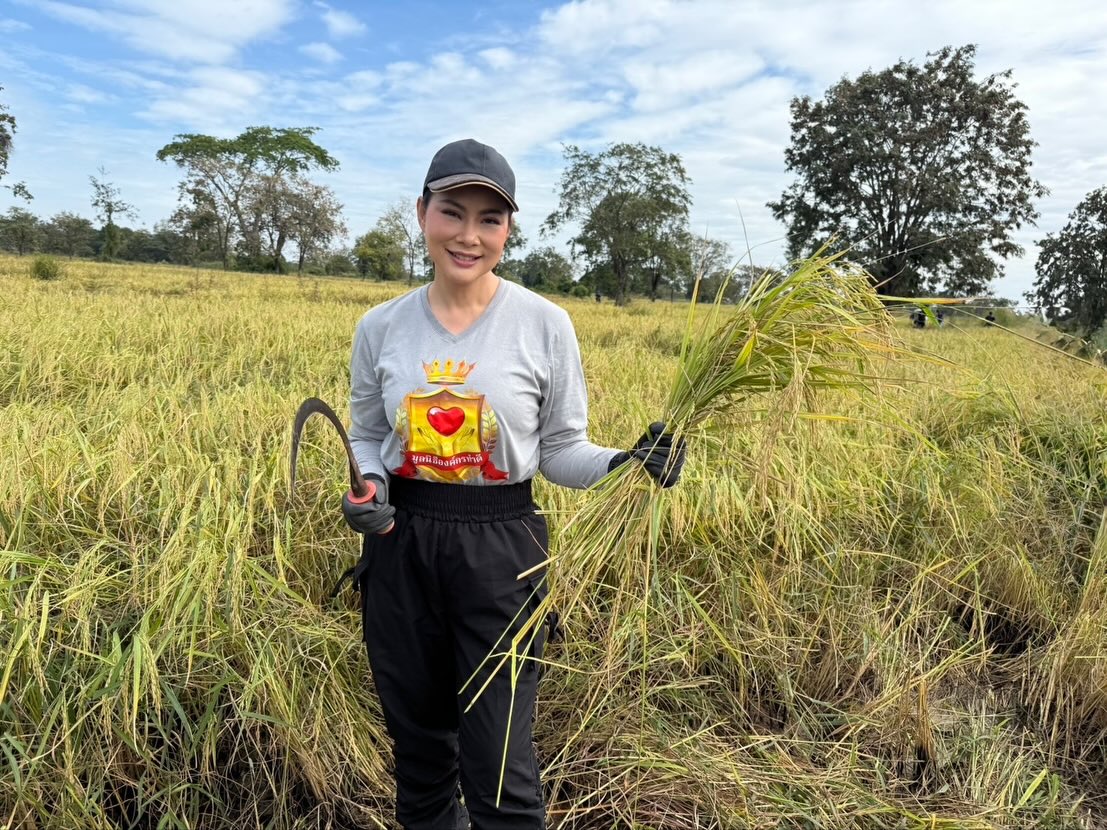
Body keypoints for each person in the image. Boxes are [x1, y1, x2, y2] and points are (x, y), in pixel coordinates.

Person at [341, 138, 686, 830]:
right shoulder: (379, 326)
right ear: (422, 213)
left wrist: (627, 463)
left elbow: (560, 449)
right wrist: (368, 491)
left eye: (489, 220)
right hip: (401, 545)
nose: (469, 235)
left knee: (500, 765)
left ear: (507, 230)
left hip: (503, 551)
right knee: (419, 756)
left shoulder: (543, 324)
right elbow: (367, 433)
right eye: (452, 212)